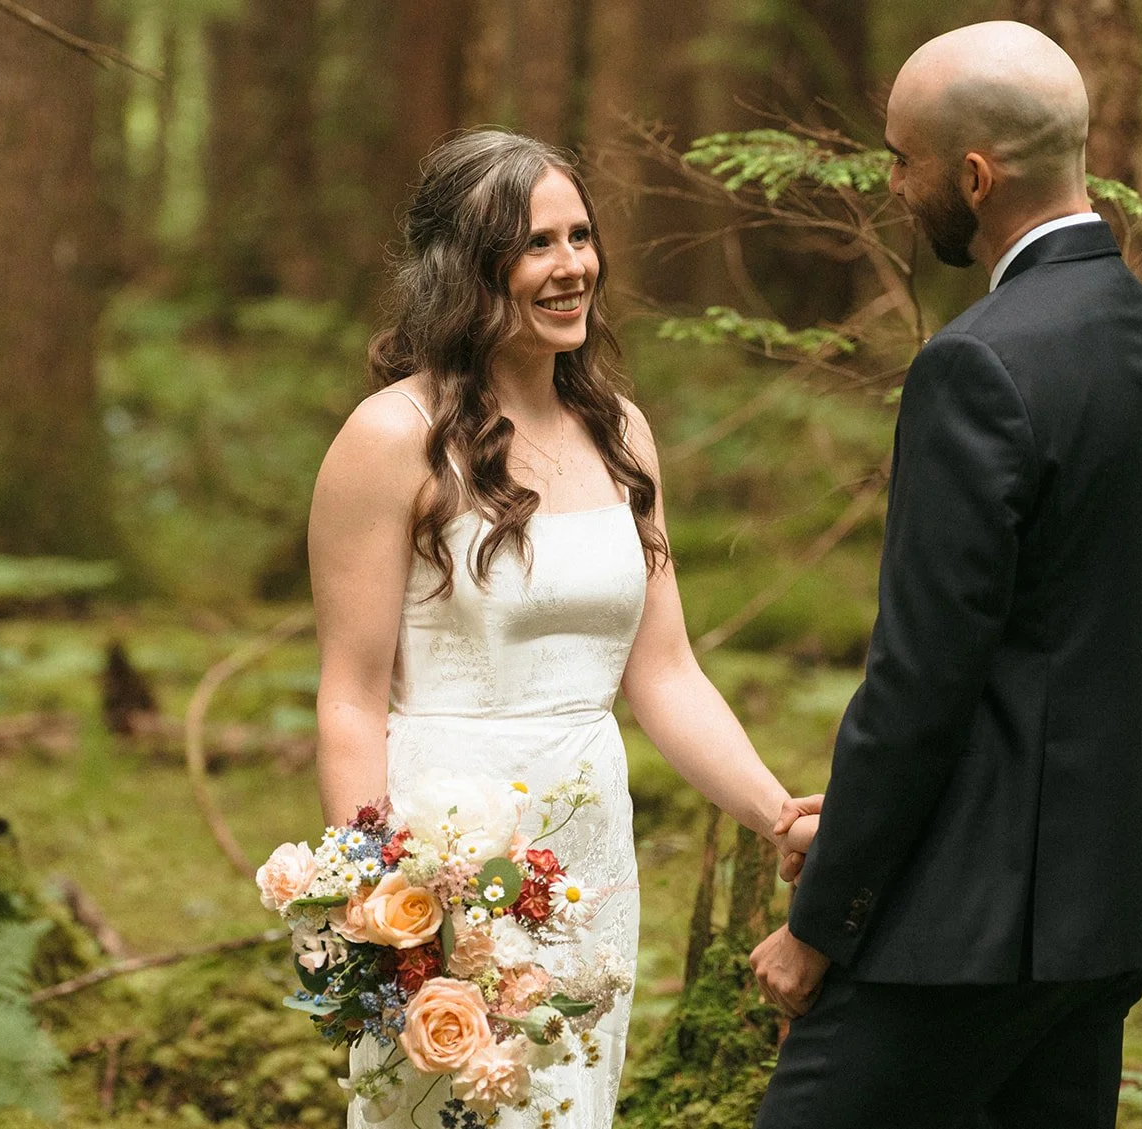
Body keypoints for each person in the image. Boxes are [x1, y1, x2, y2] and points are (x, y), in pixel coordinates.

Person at [751, 21, 1142, 1127]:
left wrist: (820, 918)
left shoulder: (977, 364)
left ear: (972, 174)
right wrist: (860, 811)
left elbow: (923, 678)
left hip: (966, 930)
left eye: (902, 159)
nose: (895, 185)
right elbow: (1063, 645)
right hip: (1110, 911)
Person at [308, 128, 809, 1129]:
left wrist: (778, 814)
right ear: (463, 265)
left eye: (581, 237)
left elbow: (662, 673)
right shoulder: (389, 437)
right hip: (443, 850)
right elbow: (351, 695)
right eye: (537, 243)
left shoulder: (619, 431)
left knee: (569, 1097)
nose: (572, 265)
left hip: (588, 851)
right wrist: (381, 899)